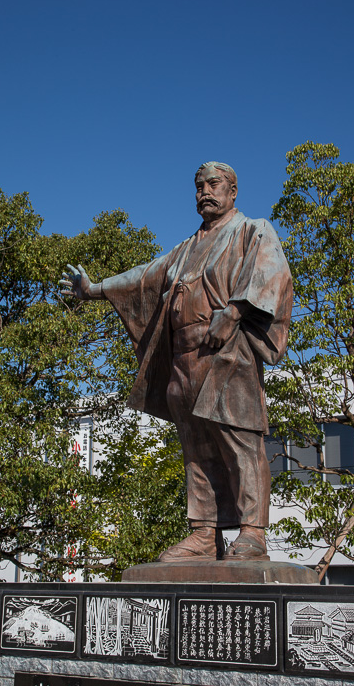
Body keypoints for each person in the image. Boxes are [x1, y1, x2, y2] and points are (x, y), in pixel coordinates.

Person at [60, 161, 292, 562]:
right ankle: (204, 533)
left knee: (239, 440)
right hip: (184, 358)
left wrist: (235, 312)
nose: (205, 191)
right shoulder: (186, 248)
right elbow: (145, 277)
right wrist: (94, 289)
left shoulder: (252, 230)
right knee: (195, 448)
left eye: (214, 184)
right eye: (199, 185)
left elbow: (270, 273)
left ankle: (252, 532)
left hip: (226, 352)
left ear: (232, 191)